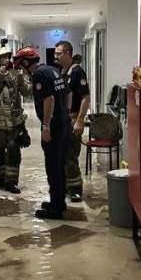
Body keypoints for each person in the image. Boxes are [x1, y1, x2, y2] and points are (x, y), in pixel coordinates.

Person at [13, 46, 70, 219]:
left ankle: (55, 209)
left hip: (54, 126)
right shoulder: (52, 70)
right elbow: (67, 94)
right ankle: (59, 202)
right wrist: (65, 114)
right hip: (63, 122)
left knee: (52, 166)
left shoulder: (38, 75)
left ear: (26, 63)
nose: (22, 71)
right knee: (59, 164)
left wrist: (46, 126)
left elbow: (49, 99)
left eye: (21, 67)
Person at [0, 44, 31, 194]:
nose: (5, 60)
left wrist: (24, 77)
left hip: (14, 121)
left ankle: (11, 182)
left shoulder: (15, 74)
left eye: (7, 57)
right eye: (2, 57)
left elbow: (27, 92)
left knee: (14, 152)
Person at [54, 40, 90, 202]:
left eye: (59, 54)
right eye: (55, 54)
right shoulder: (62, 72)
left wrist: (80, 121)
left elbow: (85, 98)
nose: (56, 56)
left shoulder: (77, 72)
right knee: (62, 155)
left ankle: (75, 189)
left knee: (70, 156)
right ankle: (66, 187)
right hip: (62, 120)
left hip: (72, 119)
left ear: (68, 53)